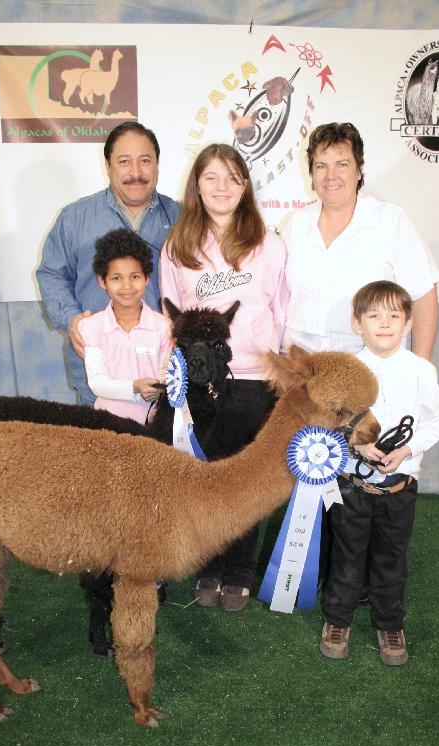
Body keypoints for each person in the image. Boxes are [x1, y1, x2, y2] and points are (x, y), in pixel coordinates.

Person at [159, 143, 289, 612]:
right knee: (206, 477)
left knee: (246, 479)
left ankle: (238, 571)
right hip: (199, 383)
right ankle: (209, 565)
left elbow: (281, 310)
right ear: (197, 185)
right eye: (212, 177)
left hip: (254, 381)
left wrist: (282, 375)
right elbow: (170, 319)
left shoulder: (268, 244)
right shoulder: (179, 247)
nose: (222, 187)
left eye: (233, 178)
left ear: (246, 186)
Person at [320, 280, 439, 666]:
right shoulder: (346, 370)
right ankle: (337, 620)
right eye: (374, 315)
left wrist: (408, 449)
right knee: (347, 556)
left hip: (399, 489)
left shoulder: (421, 371)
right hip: (352, 487)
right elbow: (328, 423)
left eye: (394, 315)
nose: (385, 323)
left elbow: (437, 421)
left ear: (409, 323)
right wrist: (355, 444)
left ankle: (390, 623)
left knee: (391, 559)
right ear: (357, 323)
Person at [36, 121, 180, 405]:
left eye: (145, 161)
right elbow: (52, 274)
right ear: (108, 165)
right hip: (100, 381)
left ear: (158, 165)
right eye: (124, 162)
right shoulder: (75, 218)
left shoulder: (182, 219)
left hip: (164, 378)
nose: (136, 172)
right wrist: (71, 319)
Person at [282, 122, 439, 361]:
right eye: (321, 166)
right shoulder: (295, 225)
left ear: (359, 170)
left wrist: (420, 371)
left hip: (367, 371)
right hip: (297, 370)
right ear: (312, 175)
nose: (330, 176)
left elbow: (424, 296)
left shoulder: (391, 221)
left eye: (342, 164)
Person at [78, 229, 172, 424]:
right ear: (102, 281)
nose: (127, 286)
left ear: (147, 278)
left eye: (135, 276)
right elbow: (97, 383)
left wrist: (160, 389)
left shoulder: (164, 327)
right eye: (116, 278)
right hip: (106, 426)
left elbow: (167, 377)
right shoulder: (91, 327)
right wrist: (135, 387)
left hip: (153, 425)